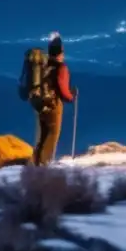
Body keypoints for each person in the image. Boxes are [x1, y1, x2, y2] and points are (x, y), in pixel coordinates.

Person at [34, 35, 76, 166]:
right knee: (52, 136)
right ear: (60, 53)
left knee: (43, 136)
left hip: (41, 105)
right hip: (53, 106)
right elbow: (63, 90)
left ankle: (36, 164)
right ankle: (43, 165)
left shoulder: (44, 65)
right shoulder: (61, 68)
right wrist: (71, 96)